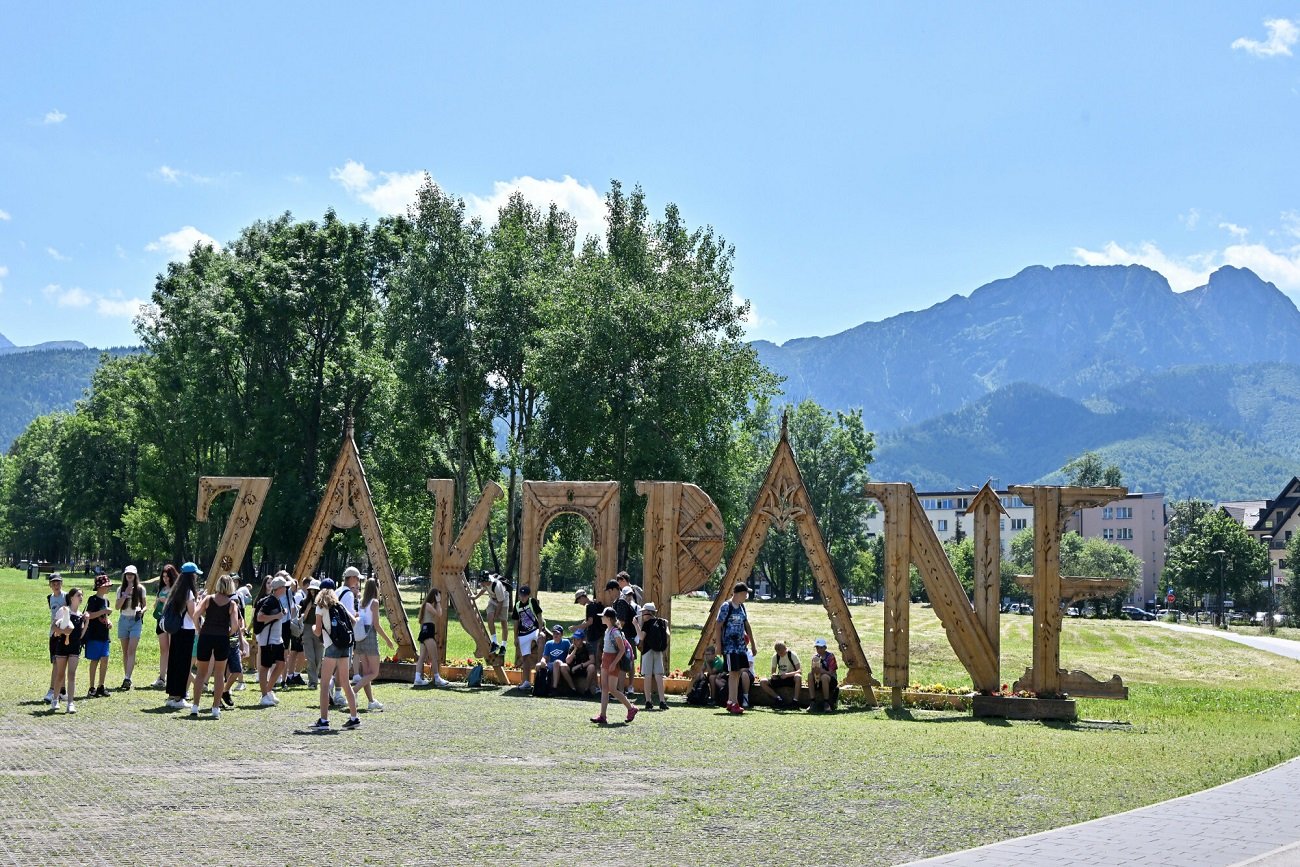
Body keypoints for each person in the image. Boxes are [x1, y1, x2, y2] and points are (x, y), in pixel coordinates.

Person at [312, 584, 361, 731]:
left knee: (325, 684)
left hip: (331, 647)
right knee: (345, 682)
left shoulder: (320, 606)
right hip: (345, 646)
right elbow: (354, 621)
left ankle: (324, 720)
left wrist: (313, 628)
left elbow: (318, 630)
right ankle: (354, 717)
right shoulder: (339, 605)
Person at [191, 574, 238, 718]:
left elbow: (195, 614)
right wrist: (229, 633)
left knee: (200, 673)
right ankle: (215, 708)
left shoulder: (208, 599)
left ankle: (195, 707)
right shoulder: (231, 604)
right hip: (221, 638)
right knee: (219, 674)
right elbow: (235, 625)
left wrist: (199, 629)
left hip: (206, 636)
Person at [715, 582, 757, 715]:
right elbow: (718, 625)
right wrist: (719, 645)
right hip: (730, 646)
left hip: (741, 647)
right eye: (745, 594)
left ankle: (730, 701)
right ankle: (734, 702)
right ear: (738, 594)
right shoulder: (726, 606)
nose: (746, 596)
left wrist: (753, 644)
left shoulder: (742, 607)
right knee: (733, 672)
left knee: (738, 672)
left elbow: (746, 625)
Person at [354, 578, 396, 712]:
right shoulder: (375, 602)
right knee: (374, 672)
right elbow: (376, 625)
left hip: (360, 638)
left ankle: (371, 701)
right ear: (376, 588)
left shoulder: (361, 602)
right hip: (370, 637)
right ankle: (353, 690)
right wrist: (388, 640)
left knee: (367, 673)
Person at [592, 608, 638, 725]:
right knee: (604, 688)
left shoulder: (615, 632)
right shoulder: (608, 630)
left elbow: (622, 649)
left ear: (608, 618)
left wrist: (613, 663)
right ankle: (602, 715)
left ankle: (631, 708)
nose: (601, 618)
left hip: (613, 661)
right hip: (606, 660)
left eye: (603, 616)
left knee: (612, 689)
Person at [164, 563, 200, 709]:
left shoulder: (176, 590)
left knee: (174, 662)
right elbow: (193, 614)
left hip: (177, 631)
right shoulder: (189, 593)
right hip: (187, 631)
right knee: (184, 665)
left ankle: (172, 696)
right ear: (191, 576)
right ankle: (179, 698)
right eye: (195, 574)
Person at [255, 575, 291, 706]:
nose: (286, 589)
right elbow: (260, 617)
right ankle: (264, 695)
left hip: (277, 639)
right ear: (280, 588)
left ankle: (269, 690)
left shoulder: (277, 600)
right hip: (268, 639)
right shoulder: (270, 601)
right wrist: (277, 616)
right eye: (285, 587)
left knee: (281, 663)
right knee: (265, 667)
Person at [50, 587, 85, 714]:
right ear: (71, 597)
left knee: (72, 674)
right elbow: (54, 627)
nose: (80, 597)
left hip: (75, 647)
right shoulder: (63, 610)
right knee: (60, 674)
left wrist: (86, 622)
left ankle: (70, 703)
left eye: (81, 595)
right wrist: (64, 632)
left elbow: (81, 635)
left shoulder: (80, 614)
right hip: (62, 646)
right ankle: (55, 699)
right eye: (78, 595)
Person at [115, 565, 146, 690]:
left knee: (131, 650)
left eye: (132, 574)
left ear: (135, 576)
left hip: (135, 621)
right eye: (128, 574)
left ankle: (127, 678)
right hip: (123, 620)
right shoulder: (120, 589)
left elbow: (145, 605)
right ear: (125, 575)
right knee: (125, 651)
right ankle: (127, 676)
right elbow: (117, 607)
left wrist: (142, 611)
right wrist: (125, 594)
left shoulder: (140, 589)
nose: (129, 576)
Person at [84, 574, 114, 698]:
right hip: (94, 634)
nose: (108, 588)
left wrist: (109, 622)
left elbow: (104, 618)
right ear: (100, 587)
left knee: (105, 659)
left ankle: (101, 685)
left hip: (104, 635)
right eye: (106, 585)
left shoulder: (106, 601)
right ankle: (92, 687)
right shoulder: (93, 600)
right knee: (95, 660)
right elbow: (89, 615)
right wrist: (103, 611)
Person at [414, 587, 450, 688]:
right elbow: (439, 614)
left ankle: (417, 679)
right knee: (434, 657)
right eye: (438, 596)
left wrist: (438, 603)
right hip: (428, 632)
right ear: (434, 596)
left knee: (422, 657)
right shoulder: (428, 605)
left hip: (425, 631)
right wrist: (438, 602)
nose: (440, 598)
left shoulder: (427, 605)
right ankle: (437, 678)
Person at [511, 585, 546, 691]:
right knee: (525, 658)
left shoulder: (532, 602)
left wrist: (540, 631)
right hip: (523, 633)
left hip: (534, 629)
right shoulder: (517, 605)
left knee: (541, 638)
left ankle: (540, 664)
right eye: (521, 595)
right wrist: (515, 637)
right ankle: (526, 681)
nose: (522, 597)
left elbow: (539, 616)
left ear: (528, 595)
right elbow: (516, 622)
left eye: (524, 596)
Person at [637, 601, 670, 711]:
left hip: (647, 651)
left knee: (647, 675)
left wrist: (635, 624)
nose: (642, 614)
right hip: (658, 651)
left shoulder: (647, 624)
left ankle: (648, 701)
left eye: (643, 612)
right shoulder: (662, 622)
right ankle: (662, 701)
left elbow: (641, 637)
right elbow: (667, 635)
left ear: (648, 613)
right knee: (659, 676)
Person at [472, 572, 511, 654]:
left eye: (482, 582)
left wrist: (497, 614)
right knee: (490, 617)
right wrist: (475, 597)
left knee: (503, 622)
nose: (481, 584)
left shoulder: (497, 585)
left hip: (503, 600)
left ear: (487, 580)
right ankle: (495, 642)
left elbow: (501, 602)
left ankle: (503, 646)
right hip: (493, 599)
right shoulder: (485, 583)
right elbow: (483, 590)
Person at [151, 564, 176, 688]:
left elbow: (176, 605)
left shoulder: (176, 589)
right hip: (160, 621)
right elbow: (156, 604)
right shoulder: (162, 588)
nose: (166, 579)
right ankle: (161, 677)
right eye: (164, 577)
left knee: (172, 649)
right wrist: (157, 602)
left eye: (168, 577)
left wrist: (164, 601)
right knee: (163, 650)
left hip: (171, 621)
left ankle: (172, 676)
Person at [758, 641, 803, 707]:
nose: (781, 654)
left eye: (782, 652)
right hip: (781, 677)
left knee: (798, 676)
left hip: (791, 678)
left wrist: (787, 675)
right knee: (763, 682)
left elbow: (799, 671)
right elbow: (773, 672)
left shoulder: (792, 655)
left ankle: (795, 701)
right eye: (779, 653)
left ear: (785, 649)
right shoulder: (775, 657)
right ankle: (778, 699)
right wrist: (774, 675)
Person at [45, 573, 67, 704]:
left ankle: (55, 690)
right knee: (55, 662)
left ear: (61, 583)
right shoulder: (50, 598)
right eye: (53, 583)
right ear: (50, 585)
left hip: (65, 633)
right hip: (53, 634)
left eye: (58, 582)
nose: (56, 585)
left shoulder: (66, 596)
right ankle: (58, 690)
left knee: (61, 662)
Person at [535, 625, 575, 693]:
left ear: (562, 634)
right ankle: (538, 687)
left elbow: (570, 654)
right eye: (554, 633)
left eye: (557, 634)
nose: (555, 635)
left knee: (556, 662)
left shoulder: (566, 642)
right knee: (538, 665)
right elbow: (545, 657)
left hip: (563, 664)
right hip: (552, 663)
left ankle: (554, 688)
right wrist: (543, 661)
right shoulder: (549, 643)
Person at [300, 580, 324, 690]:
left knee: (318, 657)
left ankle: (314, 679)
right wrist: (308, 609)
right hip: (307, 629)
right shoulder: (305, 602)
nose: (313, 593)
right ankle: (313, 681)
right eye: (311, 590)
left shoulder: (324, 603)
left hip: (320, 630)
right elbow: (302, 619)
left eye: (315, 590)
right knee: (310, 657)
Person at [283, 573, 306, 687]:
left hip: (293, 624)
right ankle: (291, 675)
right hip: (293, 625)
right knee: (294, 652)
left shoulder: (293, 594)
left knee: (295, 652)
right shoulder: (293, 594)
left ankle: (291, 675)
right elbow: (293, 610)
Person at [807, 638, 839, 713]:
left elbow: (831, 672)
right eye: (817, 647)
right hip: (818, 679)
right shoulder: (815, 657)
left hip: (831, 680)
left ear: (825, 648)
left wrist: (822, 671)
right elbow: (813, 671)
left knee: (824, 677)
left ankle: (826, 703)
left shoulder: (830, 656)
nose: (819, 649)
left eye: (821, 647)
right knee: (810, 675)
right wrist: (814, 670)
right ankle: (812, 702)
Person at [565, 629, 598, 695]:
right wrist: (575, 649)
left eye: (578, 639)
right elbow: (568, 661)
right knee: (563, 667)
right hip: (573, 669)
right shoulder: (572, 647)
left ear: (582, 639)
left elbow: (592, 660)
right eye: (574, 639)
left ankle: (587, 690)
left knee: (592, 667)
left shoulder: (588, 646)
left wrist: (579, 666)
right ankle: (573, 689)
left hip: (584, 668)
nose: (575, 641)